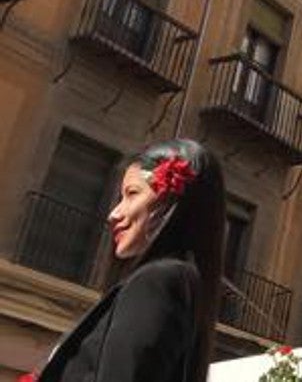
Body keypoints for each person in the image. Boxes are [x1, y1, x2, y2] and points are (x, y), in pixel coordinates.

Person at [33, 139, 226, 382]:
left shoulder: (157, 281)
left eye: (132, 194)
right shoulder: (171, 281)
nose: (114, 214)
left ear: (170, 202)